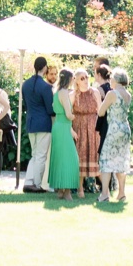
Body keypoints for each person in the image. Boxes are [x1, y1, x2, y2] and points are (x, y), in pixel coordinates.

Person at [21, 55, 56, 192]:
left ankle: (29, 181)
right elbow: (50, 109)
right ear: (45, 67)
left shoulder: (25, 84)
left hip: (30, 121)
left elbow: (25, 104)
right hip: (43, 123)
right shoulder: (45, 87)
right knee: (41, 155)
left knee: (35, 154)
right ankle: (36, 184)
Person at [100, 68, 133, 203]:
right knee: (121, 159)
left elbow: (101, 112)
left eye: (112, 78)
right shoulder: (127, 94)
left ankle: (104, 194)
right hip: (125, 128)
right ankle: (121, 192)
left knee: (106, 159)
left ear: (116, 79)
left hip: (114, 128)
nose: (110, 81)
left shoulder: (112, 93)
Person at [48, 68, 80, 200]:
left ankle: (61, 190)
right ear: (69, 79)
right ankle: (66, 190)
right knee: (70, 159)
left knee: (60, 158)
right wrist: (76, 117)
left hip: (59, 127)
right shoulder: (63, 93)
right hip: (63, 127)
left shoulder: (57, 92)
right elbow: (68, 114)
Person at [71, 69, 101, 199]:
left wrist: (100, 129)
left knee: (95, 155)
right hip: (79, 127)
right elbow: (68, 114)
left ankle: (104, 187)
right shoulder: (73, 95)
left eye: (87, 77)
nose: (85, 80)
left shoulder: (95, 92)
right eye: (82, 78)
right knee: (81, 156)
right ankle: (80, 188)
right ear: (76, 81)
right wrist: (71, 130)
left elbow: (100, 111)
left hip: (93, 126)